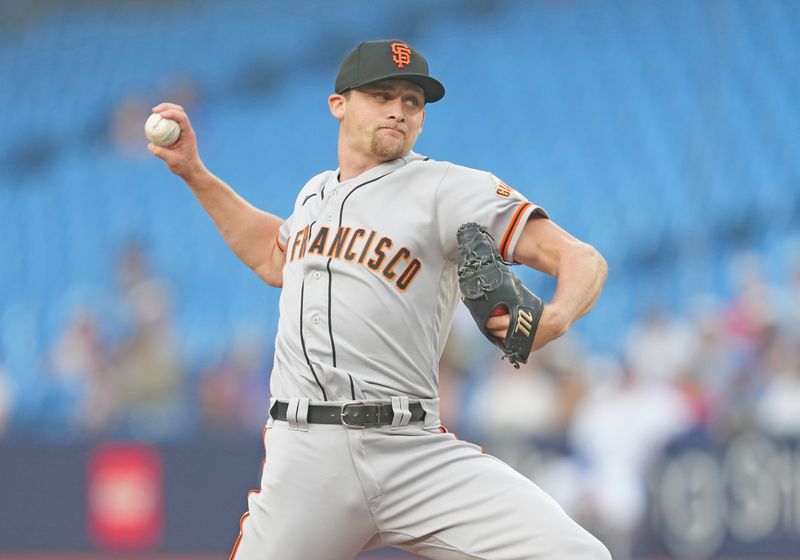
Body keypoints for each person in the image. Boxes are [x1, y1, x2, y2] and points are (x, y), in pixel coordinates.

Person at [148, 39, 609, 560]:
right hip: (307, 458)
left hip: (411, 449)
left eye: (413, 101)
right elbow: (272, 258)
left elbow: (581, 259)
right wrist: (194, 172)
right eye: (381, 94)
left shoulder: (445, 188)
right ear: (338, 104)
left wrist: (558, 315)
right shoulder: (314, 194)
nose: (399, 110)